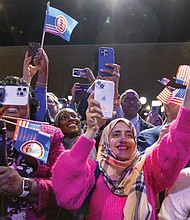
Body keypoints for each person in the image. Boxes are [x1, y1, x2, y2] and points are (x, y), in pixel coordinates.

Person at [52, 79, 190, 219]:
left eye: (129, 135)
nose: (123, 139)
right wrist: (90, 131)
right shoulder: (93, 170)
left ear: (135, 142)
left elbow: (178, 143)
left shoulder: (147, 169)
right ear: (105, 142)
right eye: (116, 134)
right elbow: (65, 194)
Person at [0, 76, 64, 219]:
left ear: (30, 105)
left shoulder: (47, 135)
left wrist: (24, 186)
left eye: (19, 96)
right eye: (6, 96)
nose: (12, 104)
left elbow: (63, 188)